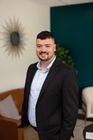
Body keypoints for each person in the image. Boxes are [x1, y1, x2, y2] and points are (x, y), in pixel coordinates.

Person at [21, 31, 79, 140]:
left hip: (52, 134)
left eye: (47, 46)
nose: (43, 50)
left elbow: (71, 113)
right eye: (39, 46)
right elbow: (28, 98)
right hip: (30, 129)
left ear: (54, 47)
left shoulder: (67, 72)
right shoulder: (31, 69)